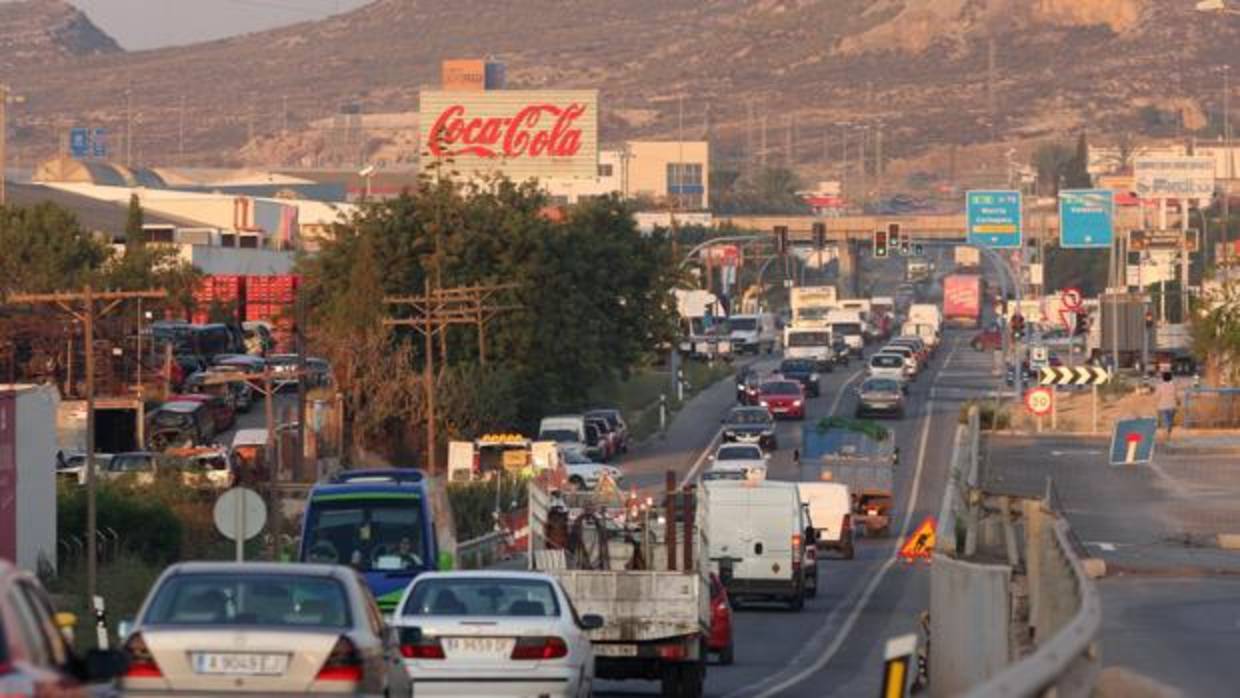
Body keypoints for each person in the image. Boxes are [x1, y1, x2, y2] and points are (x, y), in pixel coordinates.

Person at [1154, 371, 1178, 439]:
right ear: (1171, 378)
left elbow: (1156, 396)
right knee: (1170, 421)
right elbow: (1176, 396)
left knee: (1165, 421)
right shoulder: (1173, 386)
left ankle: (1166, 434)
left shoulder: (1160, 386)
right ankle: (1168, 434)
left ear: (1163, 378)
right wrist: (1178, 402)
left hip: (1162, 406)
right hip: (1172, 406)